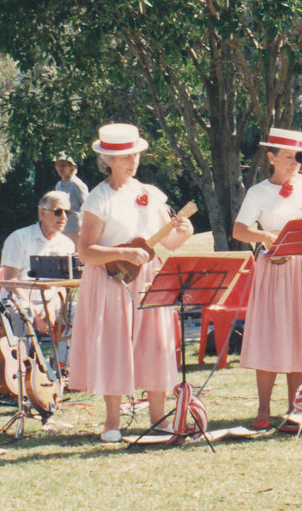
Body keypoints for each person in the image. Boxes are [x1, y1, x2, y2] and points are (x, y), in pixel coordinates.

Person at [69, 123, 193, 443]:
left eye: (135, 154)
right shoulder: (98, 198)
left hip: (150, 278)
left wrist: (186, 228)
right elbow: (85, 251)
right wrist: (124, 251)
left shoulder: (150, 194)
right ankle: (112, 422)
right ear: (108, 159)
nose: (132, 160)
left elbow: (172, 242)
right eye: (124, 156)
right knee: (114, 346)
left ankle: (159, 419)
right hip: (113, 280)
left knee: (156, 345)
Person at [232, 128, 302, 429]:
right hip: (276, 269)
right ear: (271, 157)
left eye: (299, 158)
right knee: (271, 335)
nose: (294, 163)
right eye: (288, 157)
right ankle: (263, 411)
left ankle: (298, 408)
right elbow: (239, 230)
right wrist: (267, 236)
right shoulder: (258, 192)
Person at [0, 190, 76, 337]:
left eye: (68, 212)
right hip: (18, 300)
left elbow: (64, 286)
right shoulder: (19, 238)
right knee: (23, 314)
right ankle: (25, 359)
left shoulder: (67, 244)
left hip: (53, 302)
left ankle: (61, 359)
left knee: (82, 312)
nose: (64, 217)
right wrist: (33, 311)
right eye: (58, 212)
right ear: (42, 213)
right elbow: (10, 282)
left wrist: (51, 307)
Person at [54, 152, 88, 243]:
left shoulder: (77, 184)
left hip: (75, 228)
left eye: (63, 165)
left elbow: (87, 207)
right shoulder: (59, 185)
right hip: (62, 226)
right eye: (58, 165)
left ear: (71, 167)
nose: (60, 168)